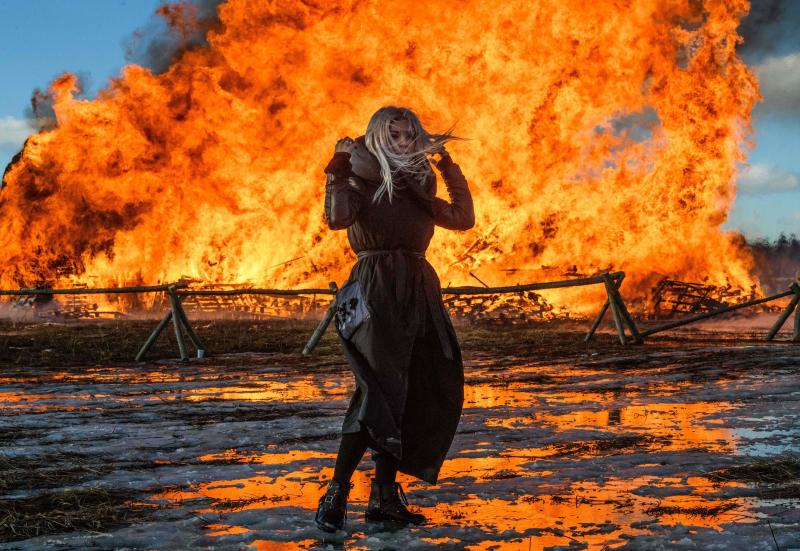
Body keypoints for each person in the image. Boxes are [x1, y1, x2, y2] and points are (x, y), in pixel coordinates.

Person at [315, 105, 475, 532]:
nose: (403, 143)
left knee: (406, 391)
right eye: (394, 135)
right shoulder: (359, 176)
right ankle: (336, 493)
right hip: (374, 290)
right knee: (377, 391)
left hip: (418, 291)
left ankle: (384, 497)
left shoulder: (420, 185)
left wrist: (447, 165)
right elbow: (338, 219)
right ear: (376, 137)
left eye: (409, 135)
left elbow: (463, 218)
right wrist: (338, 166)